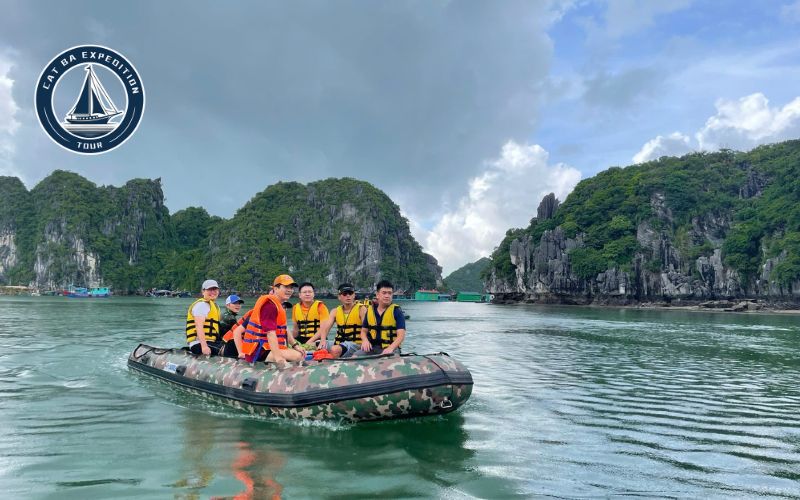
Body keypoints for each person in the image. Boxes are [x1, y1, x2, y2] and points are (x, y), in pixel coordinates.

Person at [234, 275, 306, 363]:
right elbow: (270, 333)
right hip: (258, 351)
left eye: (291, 287)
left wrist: (295, 346)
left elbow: (284, 330)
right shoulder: (269, 306)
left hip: (266, 348)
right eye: (286, 287)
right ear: (276, 289)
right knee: (297, 356)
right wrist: (278, 358)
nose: (289, 290)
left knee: (298, 354)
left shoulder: (279, 306)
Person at [309, 283, 366, 358]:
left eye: (350, 293)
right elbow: (325, 329)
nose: (348, 296)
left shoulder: (361, 309)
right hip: (339, 343)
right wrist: (322, 340)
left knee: (335, 349)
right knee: (312, 345)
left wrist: (366, 341)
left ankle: (331, 366)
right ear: (339, 297)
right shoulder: (335, 311)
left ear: (354, 295)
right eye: (344, 294)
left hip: (356, 344)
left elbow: (367, 329)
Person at [359, 279, 406, 355]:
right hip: (372, 347)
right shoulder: (370, 311)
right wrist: (365, 340)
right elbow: (363, 331)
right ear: (377, 295)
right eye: (384, 293)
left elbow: (401, 335)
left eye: (389, 293)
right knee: (355, 356)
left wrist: (390, 348)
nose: (387, 296)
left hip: (390, 348)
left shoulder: (397, 311)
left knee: (385, 362)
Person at [185, 279, 222, 356]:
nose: (213, 292)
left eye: (215, 289)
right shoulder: (202, 305)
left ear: (218, 291)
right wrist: (204, 347)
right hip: (199, 343)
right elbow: (199, 326)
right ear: (203, 291)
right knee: (228, 350)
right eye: (209, 289)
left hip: (212, 342)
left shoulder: (214, 306)